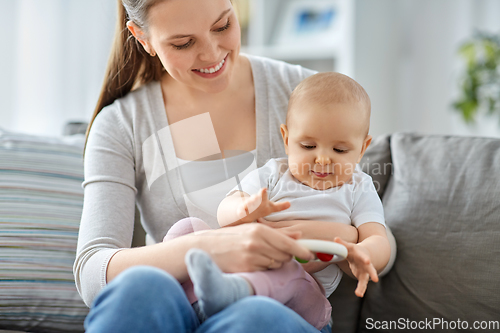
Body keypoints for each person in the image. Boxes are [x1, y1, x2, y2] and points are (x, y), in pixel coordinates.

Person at [74, 0, 396, 332]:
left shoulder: (309, 95)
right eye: (184, 43)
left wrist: (335, 237)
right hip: (185, 302)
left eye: (223, 26)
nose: (212, 54)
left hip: (279, 310)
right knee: (138, 290)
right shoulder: (122, 124)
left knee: (253, 317)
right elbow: (93, 272)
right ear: (142, 38)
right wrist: (210, 247)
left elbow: (378, 230)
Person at [163, 72, 391, 330]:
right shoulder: (273, 174)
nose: (323, 159)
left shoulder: (358, 188)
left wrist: (365, 252)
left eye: (339, 150)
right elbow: (224, 212)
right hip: (242, 264)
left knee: (287, 271)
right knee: (187, 229)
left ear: (362, 148)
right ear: (286, 139)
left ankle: (225, 297)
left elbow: (378, 239)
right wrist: (246, 208)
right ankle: (186, 298)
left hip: (302, 294)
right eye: (308, 146)